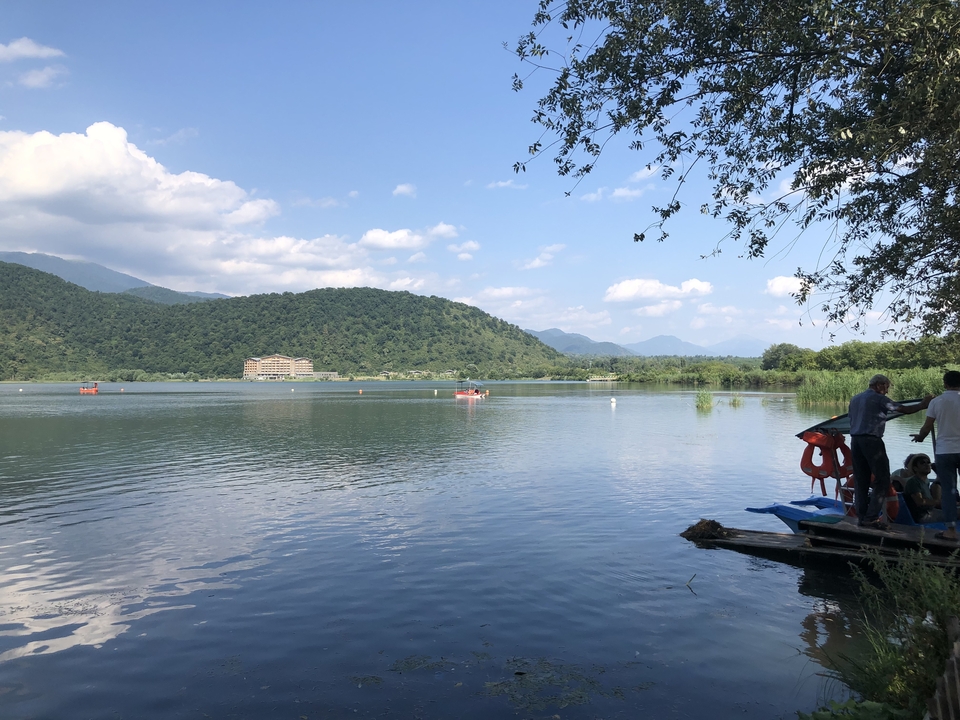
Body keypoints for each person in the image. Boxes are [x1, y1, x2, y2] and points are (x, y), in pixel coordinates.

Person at [848, 374, 931, 530]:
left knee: (861, 479)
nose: (887, 391)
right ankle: (871, 518)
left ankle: (862, 517)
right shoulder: (879, 398)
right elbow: (903, 409)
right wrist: (923, 404)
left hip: (855, 441)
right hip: (872, 441)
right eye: (886, 387)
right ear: (879, 385)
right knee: (883, 479)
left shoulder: (855, 399)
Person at [912, 370, 960, 540]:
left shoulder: (936, 402)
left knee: (948, 491)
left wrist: (920, 437)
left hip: (945, 451)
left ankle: (951, 531)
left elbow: (927, 426)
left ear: (945, 384)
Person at [901, 453, 941, 523]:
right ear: (915, 468)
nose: (927, 465)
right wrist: (939, 502)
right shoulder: (914, 482)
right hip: (923, 516)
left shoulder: (925, 482)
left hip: (930, 511)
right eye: (922, 463)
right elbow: (919, 501)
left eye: (928, 462)